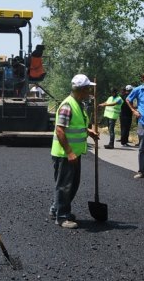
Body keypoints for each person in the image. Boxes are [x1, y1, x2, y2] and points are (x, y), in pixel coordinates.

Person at [50, 74, 100, 229]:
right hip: (65, 154)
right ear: (82, 90)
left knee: (72, 184)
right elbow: (60, 131)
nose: (90, 92)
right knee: (65, 186)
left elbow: (75, 126)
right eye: (88, 89)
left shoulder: (79, 104)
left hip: (73, 153)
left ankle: (56, 210)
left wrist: (88, 131)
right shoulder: (68, 106)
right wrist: (70, 152)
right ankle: (62, 217)